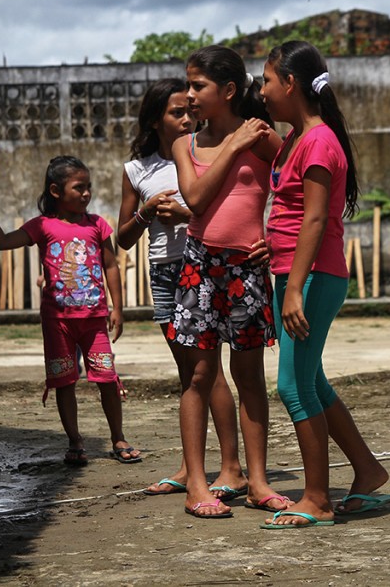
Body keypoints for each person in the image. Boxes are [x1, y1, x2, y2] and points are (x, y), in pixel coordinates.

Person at [257, 41, 390, 528]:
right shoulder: (297, 138)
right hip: (296, 272)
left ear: (289, 83)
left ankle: (316, 498)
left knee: (292, 386)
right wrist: (273, 251)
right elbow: (291, 212)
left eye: (267, 81)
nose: (262, 91)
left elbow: (315, 219)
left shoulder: (318, 141)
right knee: (311, 379)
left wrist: (295, 288)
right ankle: (368, 470)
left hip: (313, 277)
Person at [116, 78, 251, 498]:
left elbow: (225, 208)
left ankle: (231, 467)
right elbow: (122, 238)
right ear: (155, 120)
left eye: (189, 111)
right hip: (165, 271)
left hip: (204, 264)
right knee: (188, 374)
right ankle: (191, 467)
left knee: (207, 371)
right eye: (176, 113)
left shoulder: (204, 152)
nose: (187, 118)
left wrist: (185, 213)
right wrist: (145, 213)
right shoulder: (137, 170)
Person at [169, 45, 286, 518]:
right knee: (199, 376)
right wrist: (234, 146)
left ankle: (257, 481)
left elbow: (299, 188)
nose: (189, 94)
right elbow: (196, 199)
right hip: (200, 265)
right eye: (189, 85)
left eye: (199, 86)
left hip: (247, 269)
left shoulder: (263, 136)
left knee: (250, 376)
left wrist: (276, 239)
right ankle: (197, 484)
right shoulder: (186, 145)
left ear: (230, 90)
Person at [0, 156, 141, 465]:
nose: (86, 193)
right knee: (64, 381)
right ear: (55, 191)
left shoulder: (98, 224)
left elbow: (111, 266)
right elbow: (3, 241)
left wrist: (118, 308)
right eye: (79, 187)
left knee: (107, 379)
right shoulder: (42, 226)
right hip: (58, 322)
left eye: (89, 187)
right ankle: (75, 441)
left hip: (94, 321)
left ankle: (118, 436)